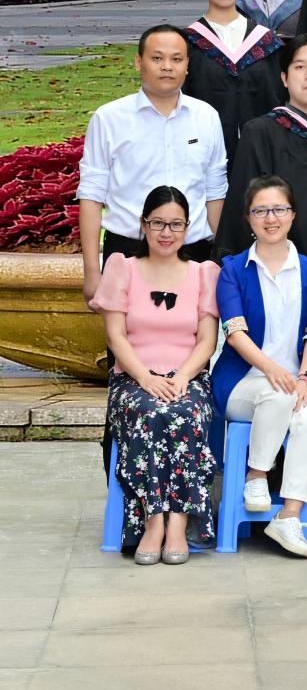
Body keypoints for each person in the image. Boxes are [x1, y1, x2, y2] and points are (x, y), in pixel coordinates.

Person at [97, 184, 221, 564]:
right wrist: (146, 378)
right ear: (143, 224)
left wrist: (182, 377)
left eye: (176, 224)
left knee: (184, 413)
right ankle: (153, 522)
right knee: (150, 412)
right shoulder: (122, 268)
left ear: (187, 227)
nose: (167, 232)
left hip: (188, 378)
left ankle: (178, 523)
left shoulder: (203, 273)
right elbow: (115, 336)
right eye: (158, 223)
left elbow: (207, 340)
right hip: (133, 379)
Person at [215, 175, 307, 556]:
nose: (271, 218)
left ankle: (289, 516)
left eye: (279, 209)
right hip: (242, 382)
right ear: (248, 218)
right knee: (277, 395)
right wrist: (272, 370)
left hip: (297, 379)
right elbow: (234, 333)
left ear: (293, 215)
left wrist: (305, 377)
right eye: (260, 211)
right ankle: (256, 474)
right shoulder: (233, 269)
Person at [81, 27, 228, 281]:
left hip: (194, 252)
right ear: (139, 62)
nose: (167, 67)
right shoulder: (109, 119)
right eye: (157, 58)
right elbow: (91, 196)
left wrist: (222, 259)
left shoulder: (207, 116)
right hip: (128, 252)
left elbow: (215, 192)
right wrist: (92, 273)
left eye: (176, 59)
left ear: (187, 65)